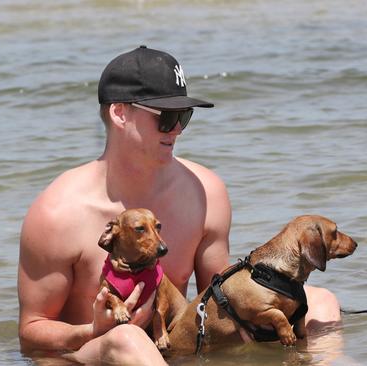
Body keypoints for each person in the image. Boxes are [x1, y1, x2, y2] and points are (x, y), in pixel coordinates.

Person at [18, 45, 342, 364]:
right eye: (166, 117)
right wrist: (91, 331)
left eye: (183, 117)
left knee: (319, 302)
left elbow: (216, 298)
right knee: (127, 339)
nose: (176, 130)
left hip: (170, 348)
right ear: (119, 113)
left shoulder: (205, 191)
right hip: (90, 353)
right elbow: (31, 333)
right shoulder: (58, 212)